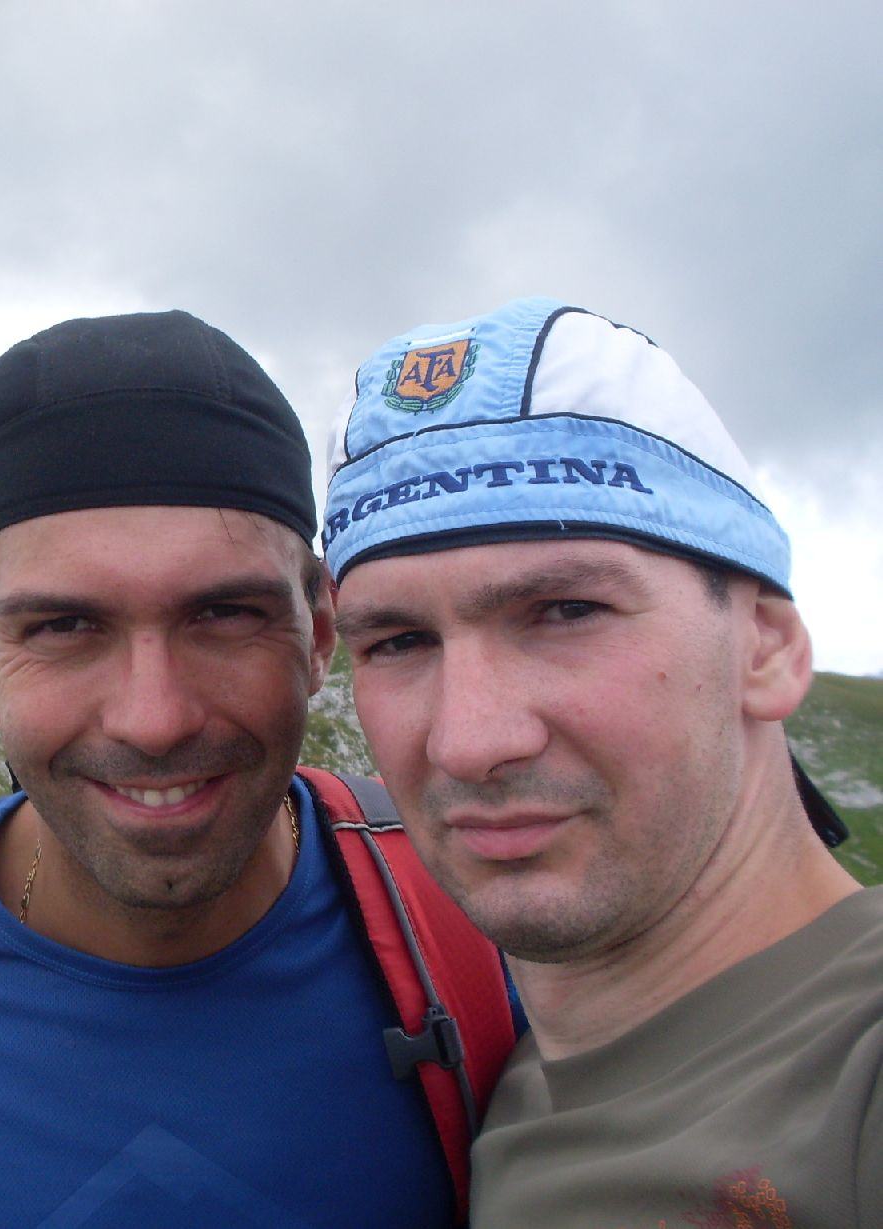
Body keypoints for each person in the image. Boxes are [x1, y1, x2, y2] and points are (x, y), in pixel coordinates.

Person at [0, 309, 515, 1227]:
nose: (154, 720)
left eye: (225, 614)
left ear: (319, 630)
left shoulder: (480, 902)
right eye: (65, 627)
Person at [322, 295, 882, 1228]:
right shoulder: (512, 1089)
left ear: (767, 646)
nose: (469, 740)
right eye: (398, 641)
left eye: (567, 611)